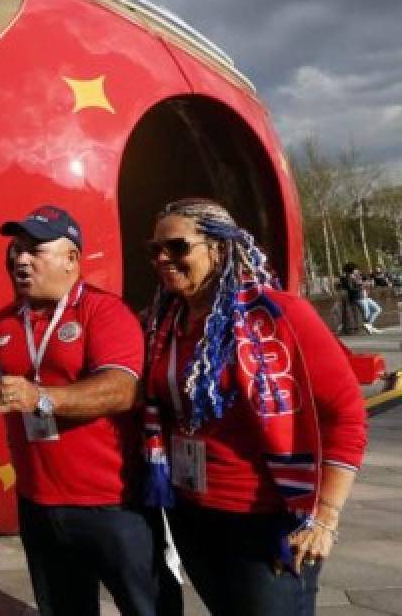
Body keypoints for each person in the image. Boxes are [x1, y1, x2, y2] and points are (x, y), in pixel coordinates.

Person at [143, 198, 367, 615]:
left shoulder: (280, 315)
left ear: (220, 249)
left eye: (177, 247)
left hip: (266, 519)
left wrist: (326, 518)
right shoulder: (164, 322)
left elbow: (346, 414)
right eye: (153, 249)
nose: (162, 259)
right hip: (193, 514)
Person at [0, 205, 176, 616]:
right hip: (38, 506)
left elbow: (123, 390)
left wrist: (41, 397)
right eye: (16, 249)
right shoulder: (1, 323)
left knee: (150, 608)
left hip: (112, 505)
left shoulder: (104, 312)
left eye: (35, 249)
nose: (20, 258)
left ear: (71, 258)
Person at [342, 263, 382, 334]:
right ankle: (370, 327)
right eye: (356, 269)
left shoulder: (356, 277)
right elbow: (351, 289)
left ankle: (369, 325)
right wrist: (362, 286)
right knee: (366, 313)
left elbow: (362, 282)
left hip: (364, 296)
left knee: (377, 309)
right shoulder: (347, 278)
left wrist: (365, 284)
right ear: (352, 270)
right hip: (358, 298)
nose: (357, 270)